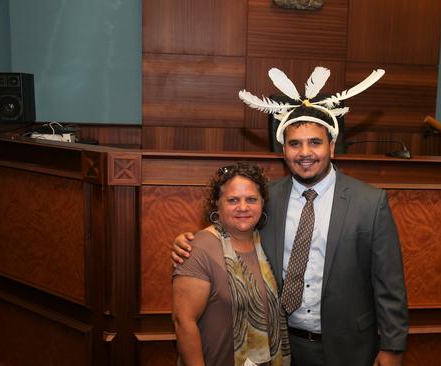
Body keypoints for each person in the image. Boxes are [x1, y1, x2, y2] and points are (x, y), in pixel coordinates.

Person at [173, 67, 408, 366]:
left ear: (332, 147)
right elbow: (230, 231)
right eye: (295, 144)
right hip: (281, 346)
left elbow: (390, 285)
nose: (305, 152)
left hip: (350, 347)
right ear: (283, 150)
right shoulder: (267, 198)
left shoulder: (370, 202)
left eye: (315, 142)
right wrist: (186, 243)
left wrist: (393, 348)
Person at [172, 163, 291, 366]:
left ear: (262, 203)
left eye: (251, 199)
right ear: (217, 204)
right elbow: (184, 323)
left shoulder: (266, 243)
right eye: (233, 200)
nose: (243, 207)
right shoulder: (198, 249)